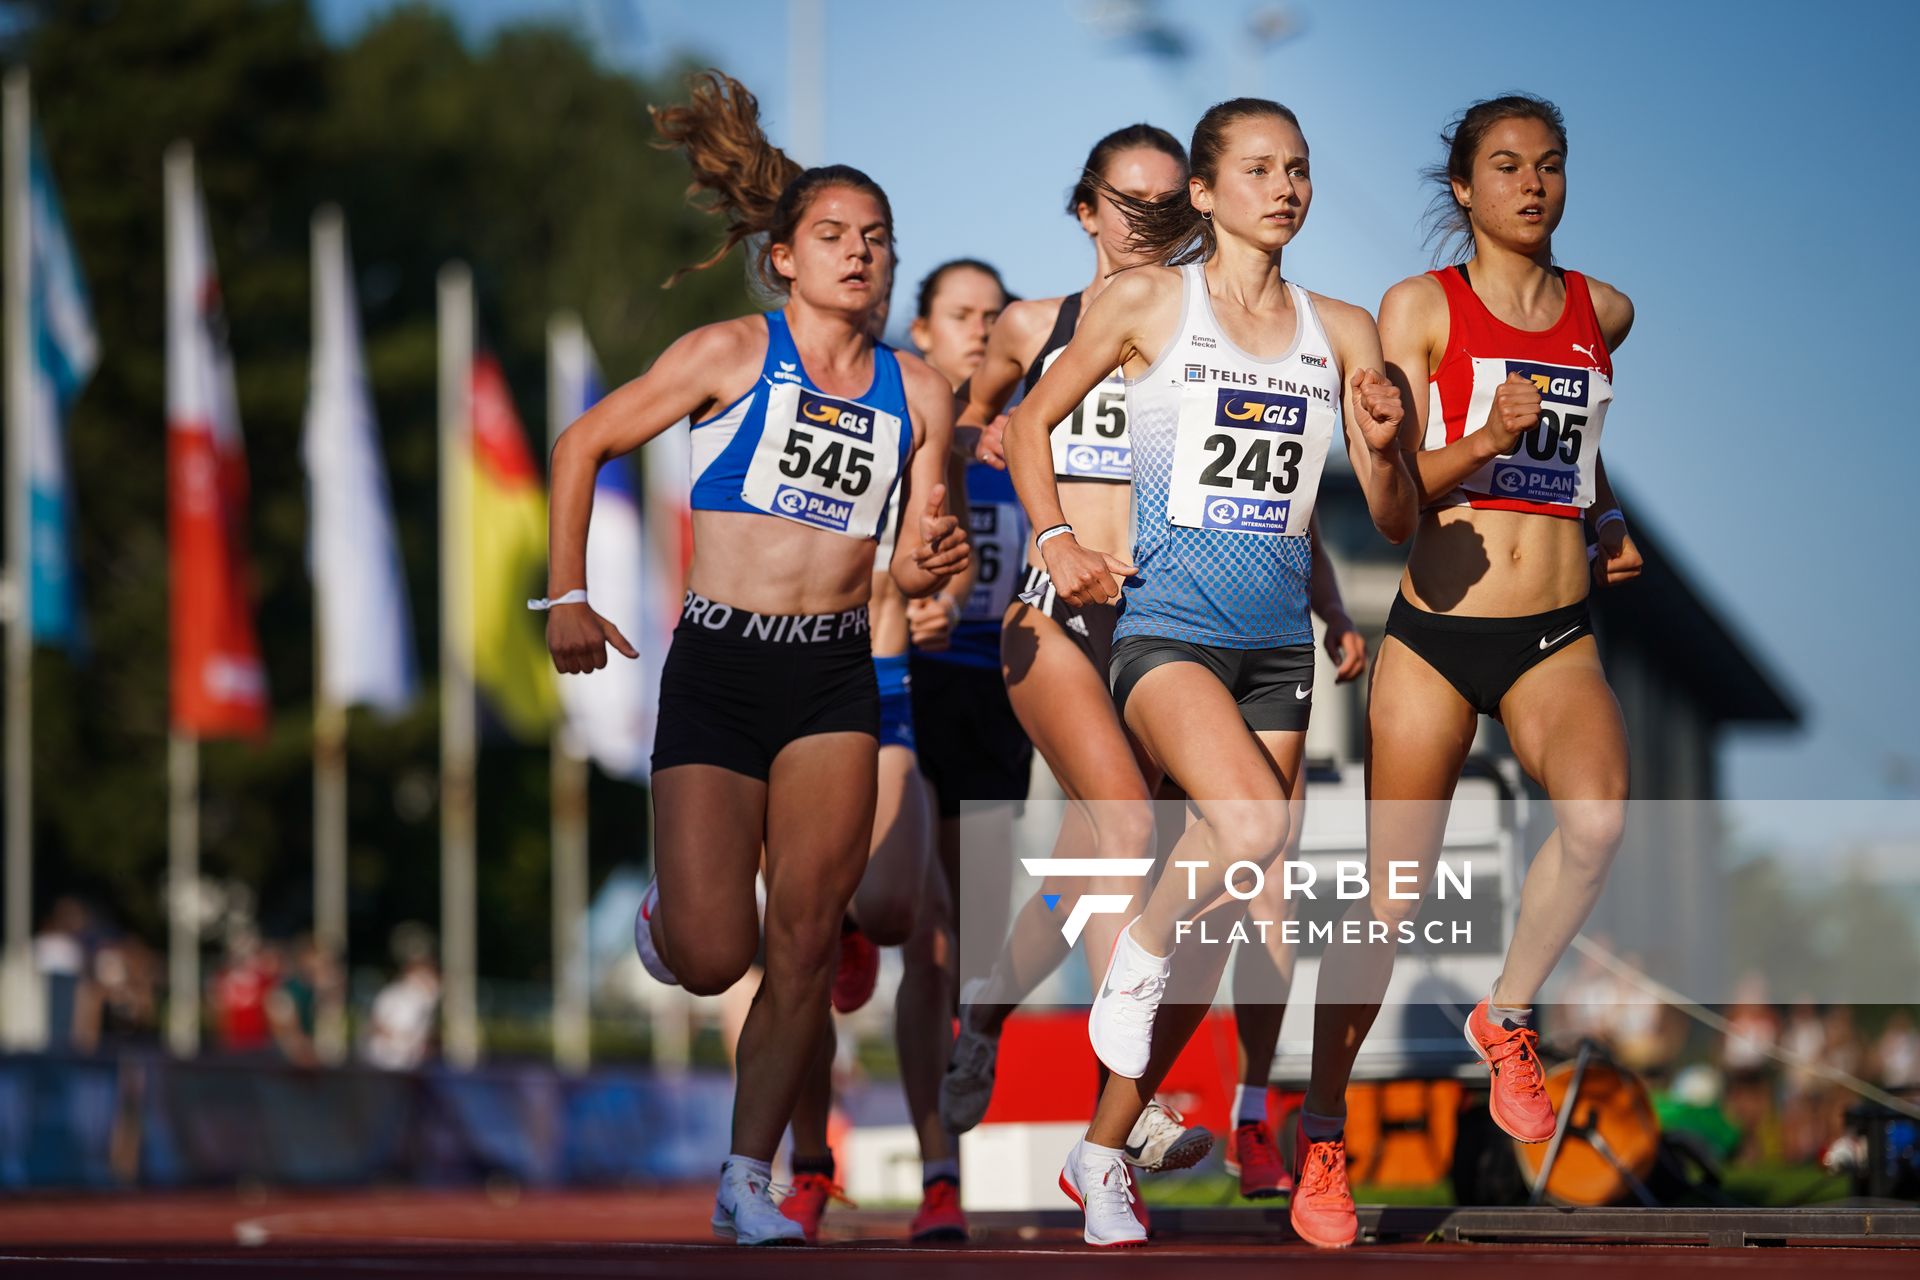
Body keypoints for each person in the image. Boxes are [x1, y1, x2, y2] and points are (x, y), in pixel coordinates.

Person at [544, 71, 967, 1245]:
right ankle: (668, 917)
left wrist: (937, 557)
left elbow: (925, 553)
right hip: (720, 671)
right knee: (714, 947)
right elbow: (583, 442)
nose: (860, 256)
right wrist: (566, 594)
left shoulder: (917, 390)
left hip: (834, 677)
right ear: (783, 256)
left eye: (878, 241)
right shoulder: (729, 351)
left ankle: (749, 1175)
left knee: (805, 936)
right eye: (833, 236)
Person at [1002, 97, 1416, 1247]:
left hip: (1278, 643)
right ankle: (1133, 956)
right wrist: (1054, 543)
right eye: (1257, 168)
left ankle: (1100, 1152)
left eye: (1300, 168)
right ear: (1204, 188)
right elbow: (1029, 424)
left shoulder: (1343, 327)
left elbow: (1391, 516)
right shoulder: (1148, 300)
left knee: (1233, 913)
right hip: (1165, 625)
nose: (1284, 187)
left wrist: (1385, 439)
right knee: (1252, 831)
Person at [1296, 93, 1641, 1248]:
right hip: (1437, 630)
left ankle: (1507, 1011)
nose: (1532, 184)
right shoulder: (1419, 310)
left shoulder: (1606, 310)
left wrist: (1604, 516)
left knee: (1595, 823)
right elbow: (1394, 510)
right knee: (1389, 907)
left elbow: (1577, 451)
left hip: (1556, 632)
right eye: (1505, 166)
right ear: (1464, 190)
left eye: (1549, 164)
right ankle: (1324, 1132)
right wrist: (1483, 438)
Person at [940, 124, 1214, 1176]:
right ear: (1085, 208)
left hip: (1164, 621)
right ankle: (1130, 1106)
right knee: (1128, 829)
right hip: (1051, 612)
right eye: (1125, 201)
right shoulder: (1031, 324)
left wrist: (1322, 600)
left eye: (1166, 207)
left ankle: (985, 1010)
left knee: (1107, 860)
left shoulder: (1201, 334)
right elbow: (960, 424)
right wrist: (953, 497)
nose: (1145, 224)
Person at [780, 290, 966, 1245]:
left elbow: (952, 552)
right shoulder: (779, 400)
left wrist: (935, 590)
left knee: (908, 919)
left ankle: (940, 1171)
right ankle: (809, 1165)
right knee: (790, 946)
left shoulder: (931, 420)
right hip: (791, 692)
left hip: (888, 693)